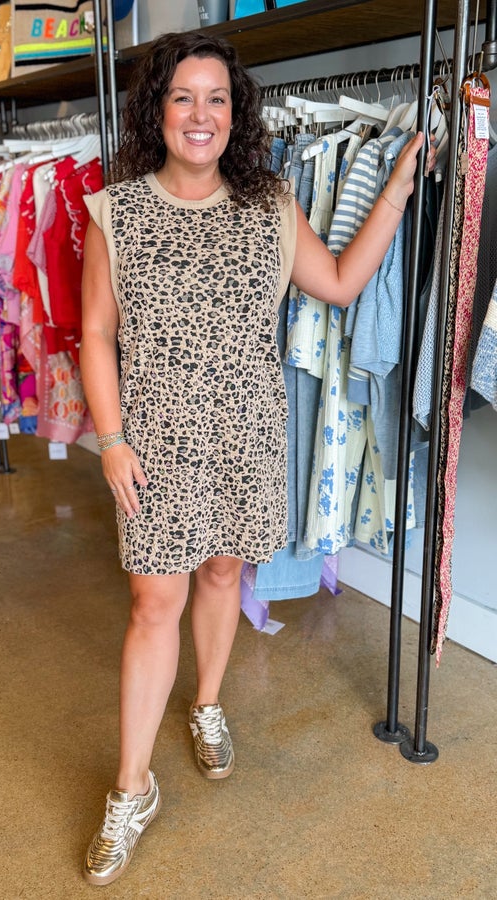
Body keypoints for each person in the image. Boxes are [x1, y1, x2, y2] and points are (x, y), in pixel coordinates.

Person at [79, 30, 430, 886]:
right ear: (156, 111)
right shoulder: (114, 212)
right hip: (154, 444)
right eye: (183, 98)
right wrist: (112, 441)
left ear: (235, 116)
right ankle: (131, 786)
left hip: (245, 434)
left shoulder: (270, 204)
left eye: (217, 100)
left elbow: (343, 282)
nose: (200, 116)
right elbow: (94, 335)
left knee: (224, 579)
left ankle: (205, 706)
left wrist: (395, 188)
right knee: (150, 602)